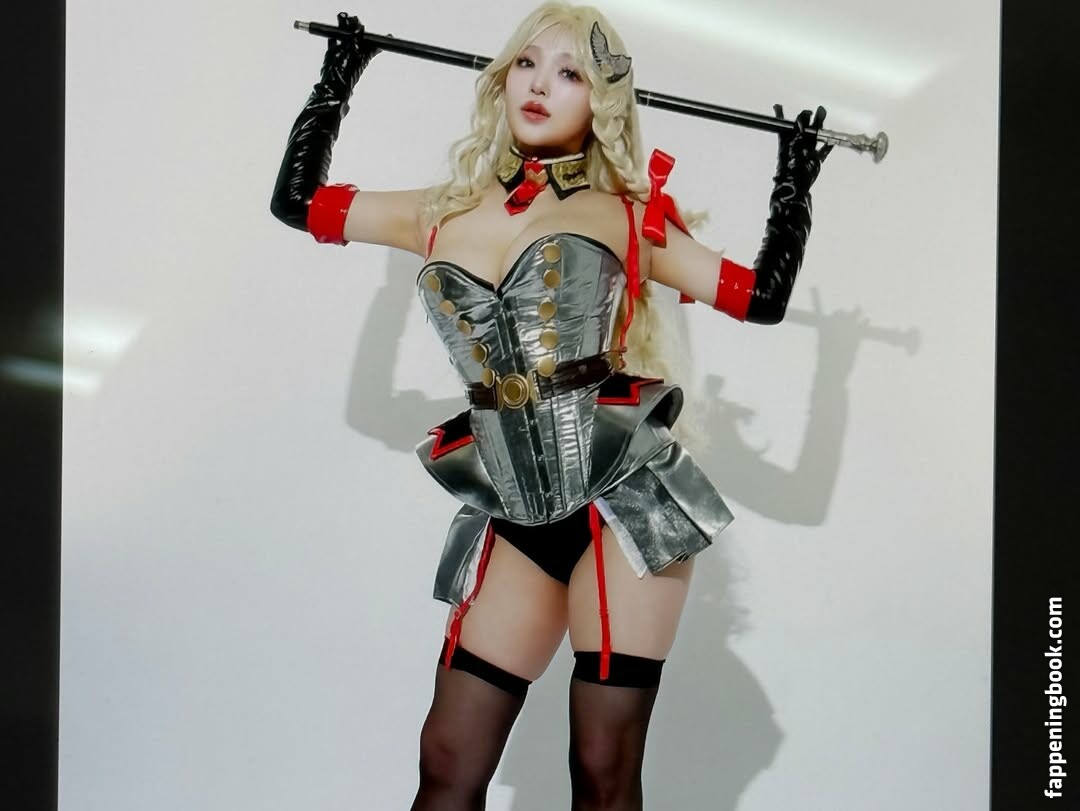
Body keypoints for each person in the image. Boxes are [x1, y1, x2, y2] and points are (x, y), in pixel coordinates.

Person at [271, 3, 832, 808]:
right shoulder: (440, 209)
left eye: (570, 73)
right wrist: (337, 81)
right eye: (528, 64)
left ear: (600, 102)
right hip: (511, 502)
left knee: (602, 767)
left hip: (623, 501)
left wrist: (792, 184)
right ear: (502, 79)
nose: (540, 85)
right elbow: (300, 203)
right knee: (447, 760)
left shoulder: (628, 216)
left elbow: (758, 297)